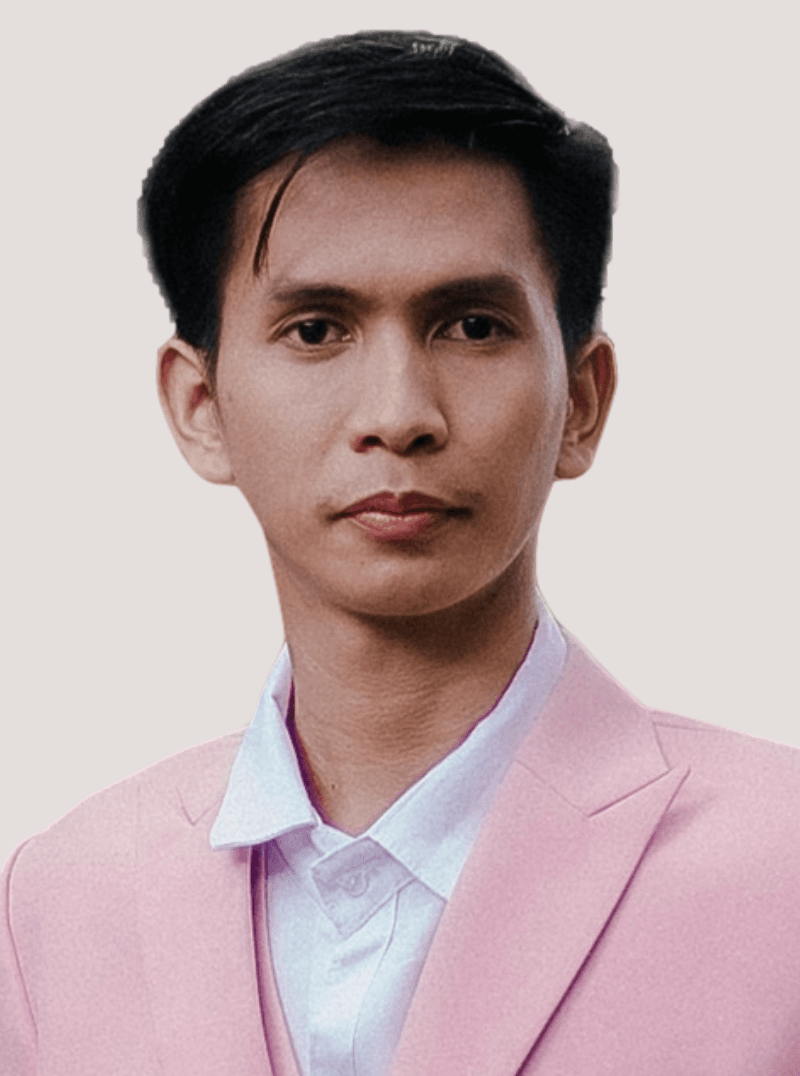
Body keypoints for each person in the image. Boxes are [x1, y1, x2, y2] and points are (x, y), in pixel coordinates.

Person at [2, 29, 799, 1076]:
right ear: (200, 406)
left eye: (471, 326)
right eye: (316, 329)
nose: (398, 414)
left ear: (581, 401)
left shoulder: (784, 865)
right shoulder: (58, 904)